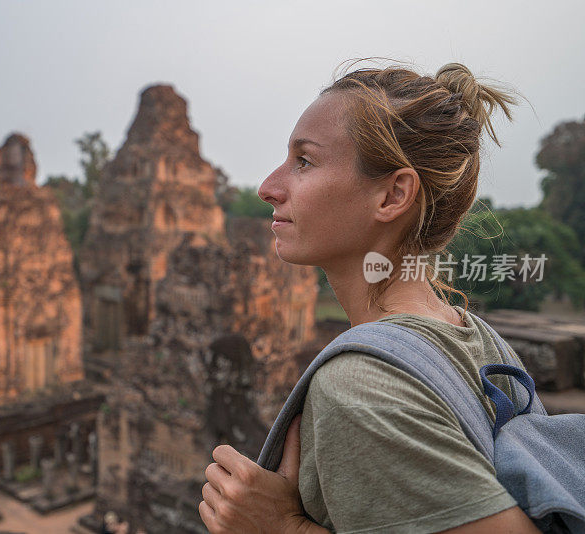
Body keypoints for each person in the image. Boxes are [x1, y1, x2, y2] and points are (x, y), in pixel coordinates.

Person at [199, 61, 543, 533]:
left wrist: (282, 527)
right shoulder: (478, 339)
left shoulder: (361, 388)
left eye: (304, 161)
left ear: (392, 196)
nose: (268, 188)